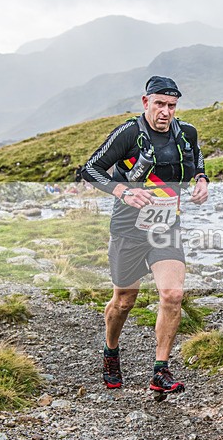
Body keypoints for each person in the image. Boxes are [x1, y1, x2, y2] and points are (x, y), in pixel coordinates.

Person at [81, 76, 209, 399]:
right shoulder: (130, 133)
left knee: (173, 294)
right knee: (124, 302)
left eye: (172, 105)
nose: (166, 112)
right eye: (160, 105)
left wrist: (202, 179)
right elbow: (91, 169)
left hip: (166, 227)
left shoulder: (186, 133)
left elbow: (197, 159)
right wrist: (122, 190)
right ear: (145, 102)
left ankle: (160, 370)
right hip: (128, 229)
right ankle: (111, 351)